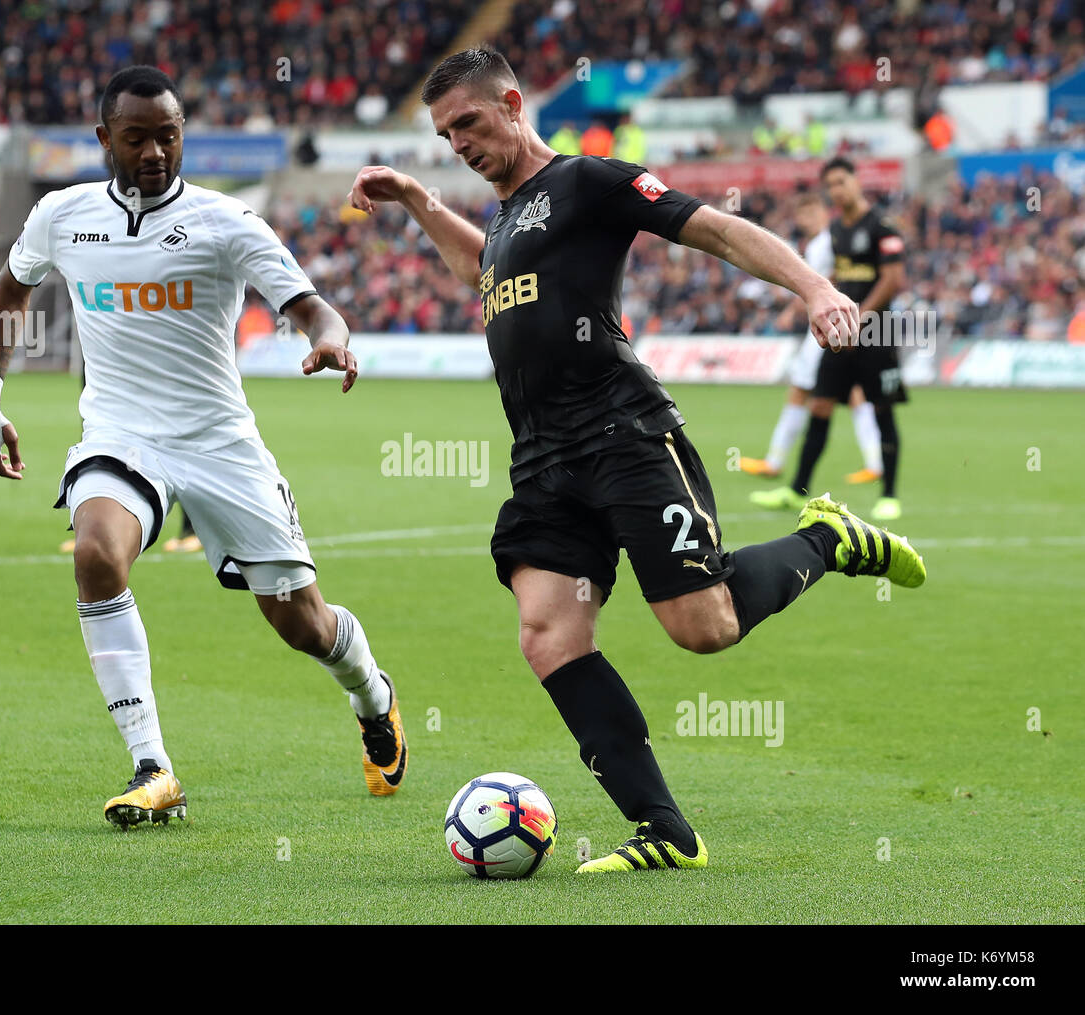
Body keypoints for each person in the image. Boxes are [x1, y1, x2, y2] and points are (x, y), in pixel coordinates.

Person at [348, 48, 926, 876]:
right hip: (542, 458)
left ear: (513, 103)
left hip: (623, 433)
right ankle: (665, 828)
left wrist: (814, 288)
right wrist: (416, 200)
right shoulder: (508, 217)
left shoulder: (587, 183)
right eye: (444, 135)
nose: (458, 144)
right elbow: (482, 270)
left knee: (705, 627)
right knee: (547, 634)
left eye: (468, 124)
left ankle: (827, 540)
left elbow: (715, 227)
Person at [0, 66, 407, 829]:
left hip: (219, 442)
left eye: (168, 136)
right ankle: (153, 767)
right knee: (95, 553)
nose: (154, 152)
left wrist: (332, 340)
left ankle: (374, 694)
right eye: (136, 137)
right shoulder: (61, 215)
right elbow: (12, 288)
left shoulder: (225, 221)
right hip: (120, 433)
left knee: (302, 623)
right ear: (105, 138)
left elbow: (309, 306)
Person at [751, 157, 908, 521]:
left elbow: (892, 280)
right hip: (843, 333)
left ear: (856, 181)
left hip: (877, 333)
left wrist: (861, 316)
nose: (837, 190)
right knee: (819, 406)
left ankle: (890, 495)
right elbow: (838, 273)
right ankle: (795, 489)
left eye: (842, 182)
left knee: (882, 409)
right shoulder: (836, 230)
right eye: (831, 185)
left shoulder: (884, 228)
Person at [738, 190, 882, 483]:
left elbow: (821, 284)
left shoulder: (825, 242)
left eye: (808, 214)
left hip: (827, 329)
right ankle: (875, 462)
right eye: (800, 216)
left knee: (806, 392)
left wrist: (792, 310)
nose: (803, 221)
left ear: (820, 212)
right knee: (852, 393)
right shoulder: (827, 241)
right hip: (836, 326)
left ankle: (776, 461)